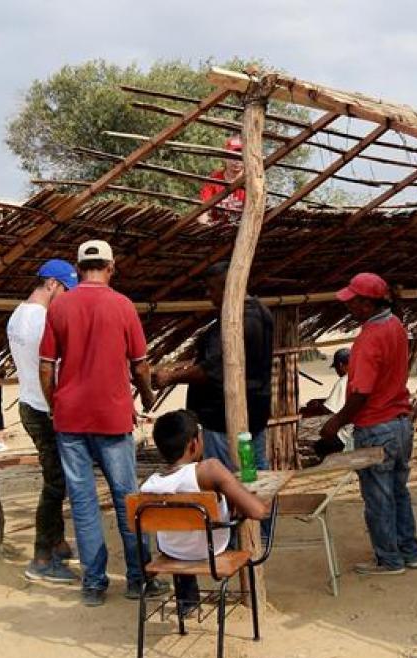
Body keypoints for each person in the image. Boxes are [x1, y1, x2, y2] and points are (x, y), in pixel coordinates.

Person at [38, 239, 162, 607]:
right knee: (127, 499)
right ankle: (139, 578)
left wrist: (56, 404)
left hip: (70, 420)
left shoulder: (60, 307)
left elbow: (46, 367)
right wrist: (147, 396)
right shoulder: (123, 305)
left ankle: (94, 583)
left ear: (78, 269)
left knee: (83, 502)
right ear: (111, 267)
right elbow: (140, 365)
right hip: (113, 416)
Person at [318, 273, 417, 576]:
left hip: (376, 426)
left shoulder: (369, 337)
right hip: (400, 424)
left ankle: (389, 559)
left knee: (378, 497)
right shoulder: (396, 325)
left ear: (367, 303)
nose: (349, 306)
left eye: (353, 301)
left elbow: (361, 392)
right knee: (399, 490)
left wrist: (335, 422)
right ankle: (409, 551)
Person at [142, 410, 270, 615]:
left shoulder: (149, 485)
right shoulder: (209, 469)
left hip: (172, 549)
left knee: (185, 528)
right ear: (194, 444)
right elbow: (258, 512)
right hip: (211, 550)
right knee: (247, 510)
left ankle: (188, 602)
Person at [153, 262, 274, 470]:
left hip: (223, 420)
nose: (209, 295)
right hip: (254, 413)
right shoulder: (261, 312)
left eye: (212, 289)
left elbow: (211, 370)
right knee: (253, 471)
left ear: (227, 286)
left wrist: (170, 377)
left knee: (228, 474)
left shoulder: (236, 322)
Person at [9, 259, 78, 583]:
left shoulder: (18, 315)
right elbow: (50, 369)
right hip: (45, 408)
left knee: (56, 477)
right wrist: (58, 408)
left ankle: (57, 542)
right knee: (55, 485)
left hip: (29, 403)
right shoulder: (43, 320)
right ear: (52, 284)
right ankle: (41, 558)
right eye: (66, 290)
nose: (68, 297)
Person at [301, 348, 354, 456]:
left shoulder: (343, 381)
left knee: (321, 446)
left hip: (348, 434)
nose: (337, 372)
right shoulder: (362, 376)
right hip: (361, 429)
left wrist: (314, 407)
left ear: (340, 365)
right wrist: (321, 401)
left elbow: (328, 410)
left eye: (336, 368)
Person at [199, 136, 246, 223]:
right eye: (233, 156)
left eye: (240, 157)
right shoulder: (214, 180)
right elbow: (203, 209)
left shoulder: (250, 182)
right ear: (225, 157)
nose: (237, 161)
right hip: (216, 226)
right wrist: (203, 224)